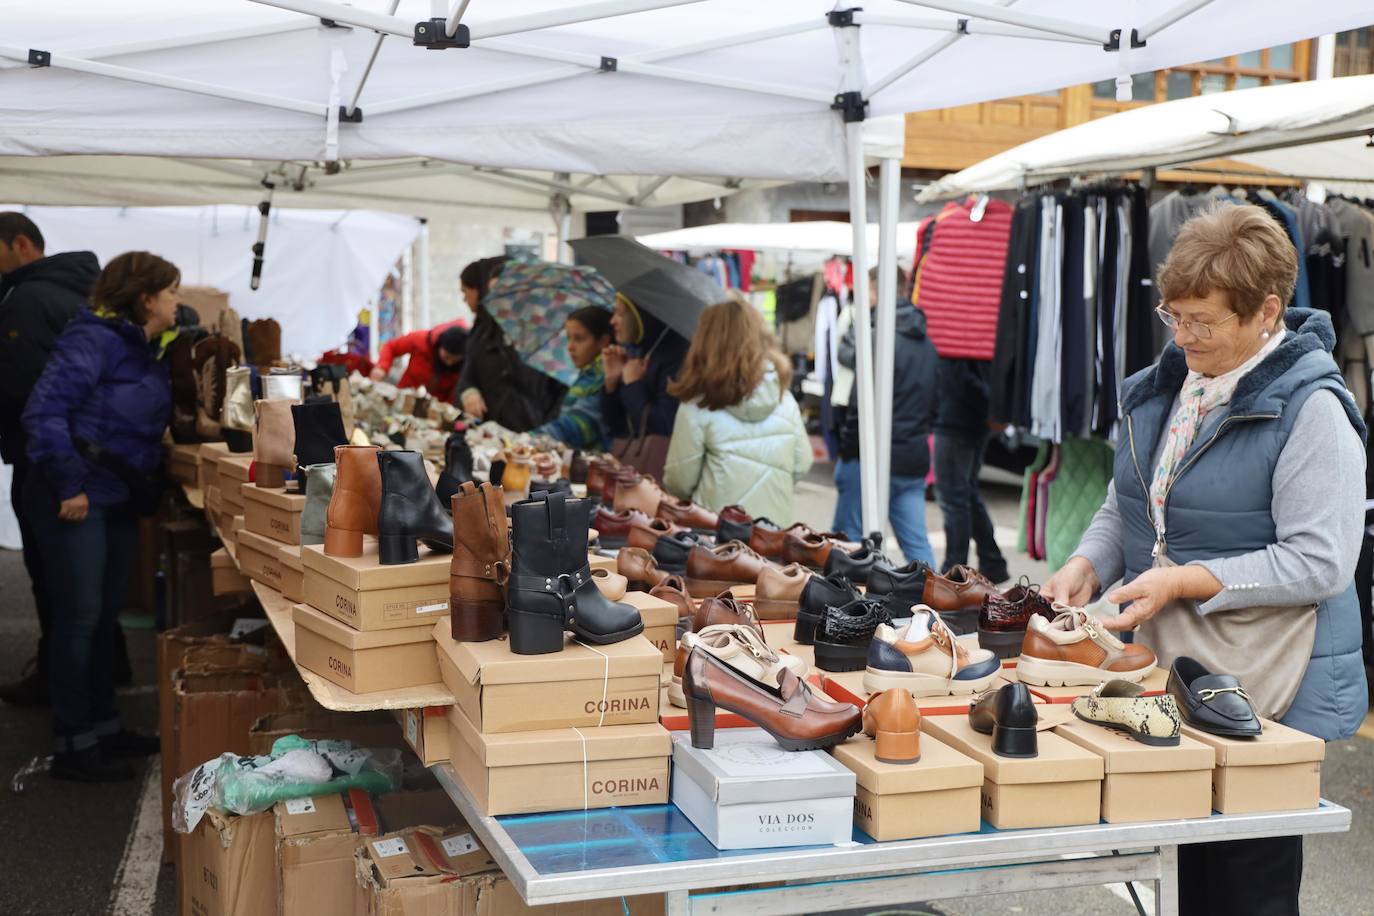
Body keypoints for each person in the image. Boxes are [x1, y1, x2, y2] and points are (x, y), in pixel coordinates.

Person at [1041, 205, 1367, 916]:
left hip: (1265, 684)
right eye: (1174, 316)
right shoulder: (1173, 387)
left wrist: (1188, 580)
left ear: (1266, 313)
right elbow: (1131, 500)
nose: (1184, 336)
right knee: (1184, 871)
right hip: (1175, 666)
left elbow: (1323, 561)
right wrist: (1088, 563)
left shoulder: (1313, 412)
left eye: (1204, 322)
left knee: (1248, 885)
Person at [23, 251, 179, 782]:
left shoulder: (140, 347)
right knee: (79, 620)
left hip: (114, 497)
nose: (179, 303)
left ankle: (104, 727)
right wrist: (70, 483)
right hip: (81, 498)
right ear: (146, 298)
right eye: (173, 293)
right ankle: (74, 743)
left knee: (101, 617)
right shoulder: (92, 339)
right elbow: (43, 412)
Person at [0, 212, 103, 707]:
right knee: (84, 598)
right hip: (80, 465)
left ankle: (73, 721)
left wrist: (64, 479)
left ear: (20, 244)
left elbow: (35, 400)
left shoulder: (27, 299)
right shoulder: (78, 292)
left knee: (65, 598)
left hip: (50, 467)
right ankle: (91, 708)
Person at [663, 293, 812, 523]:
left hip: (715, 536)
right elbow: (803, 463)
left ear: (705, 342)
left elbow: (678, 482)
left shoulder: (697, 405)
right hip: (774, 533)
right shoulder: (784, 400)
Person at [831, 268, 939, 566]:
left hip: (870, 456)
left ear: (876, 292)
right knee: (917, 547)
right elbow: (934, 406)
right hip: (911, 456)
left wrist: (848, 454)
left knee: (847, 544)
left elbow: (859, 407)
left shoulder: (877, 340)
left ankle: (843, 609)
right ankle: (933, 603)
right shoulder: (927, 345)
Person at [456, 256, 567, 431]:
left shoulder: (548, 335)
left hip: (532, 441)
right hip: (492, 435)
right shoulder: (485, 331)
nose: (495, 302)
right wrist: (469, 392)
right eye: (492, 294)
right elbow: (468, 373)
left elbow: (563, 394)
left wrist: (544, 434)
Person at [933, 357, 1009, 583]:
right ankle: (991, 561)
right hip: (967, 421)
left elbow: (961, 377)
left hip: (957, 421)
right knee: (965, 494)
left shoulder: (958, 335)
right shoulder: (975, 330)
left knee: (954, 497)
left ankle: (955, 572)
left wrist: (991, 410)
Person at [602, 291, 689, 478]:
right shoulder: (642, 350)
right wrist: (612, 383)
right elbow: (618, 427)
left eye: (619, 313)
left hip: (658, 479)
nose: (612, 321)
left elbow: (662, 427)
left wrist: (633, 385)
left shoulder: (676, 358)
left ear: (640, 316)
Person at [533, 306, 613, 450]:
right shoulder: (588, 373)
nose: (570, 347)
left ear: (603, 341)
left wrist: (532, 439)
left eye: (579, 339)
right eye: (568, 337)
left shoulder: (603, 377)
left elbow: (579, 426)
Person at [368, 320, 468, 401]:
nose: (449, 362)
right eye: (447, 357)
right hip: (402, 397)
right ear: (440, 345)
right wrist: (382, 367)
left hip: (435, 410)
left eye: (454, 360)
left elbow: (453, 397)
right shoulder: (421, 340)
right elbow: (391, 347)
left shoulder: (464, 367)